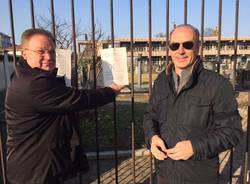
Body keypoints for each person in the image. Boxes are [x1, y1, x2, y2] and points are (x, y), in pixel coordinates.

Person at [5, 28, 122, 184]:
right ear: (24, 53)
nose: (48, 57)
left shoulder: (23, 74)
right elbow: (79, 99)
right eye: (41, 52)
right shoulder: (34, 84)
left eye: (52, 52)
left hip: (32, 164)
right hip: (35, 170)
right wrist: (111, 91)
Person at [143, 24, 243, 184]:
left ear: (198, 47)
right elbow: (150, 117)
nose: (180, 51)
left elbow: (232, 132)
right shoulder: (161, 81)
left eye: (187, 45)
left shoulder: (217, 84)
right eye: (175, 45)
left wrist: (194, 147)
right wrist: (152, 138)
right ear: (169, 49)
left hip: (199, 177)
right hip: (164, 173)